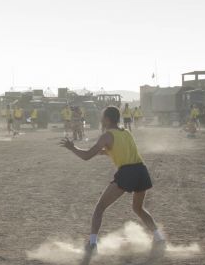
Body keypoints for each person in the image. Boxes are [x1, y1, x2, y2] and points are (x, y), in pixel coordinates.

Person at [60, 106, 165, 254]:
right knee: (138, 208)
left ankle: (92, 244)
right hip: (141, 170)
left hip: (127, 172)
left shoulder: (107, 135)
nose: (101, 119)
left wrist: (73, 148)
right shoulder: (126, 132)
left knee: (100, 207)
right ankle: (159, 238)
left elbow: (87, 156)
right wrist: (102, 152)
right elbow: (114, 150)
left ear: (108, 119)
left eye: (102, 117)